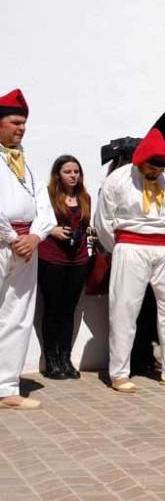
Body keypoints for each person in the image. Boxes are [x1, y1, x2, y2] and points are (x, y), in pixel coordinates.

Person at [95, 128, 165, 392]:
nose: (155, 172)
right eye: (151, 167)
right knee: (125, 309)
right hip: (131, 245)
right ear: (139, 161)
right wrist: (119, 248)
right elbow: (103, 221)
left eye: (160, 167)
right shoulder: (118, 180)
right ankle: (119, 372)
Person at [0, 89, 55, 409]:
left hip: (26, 247)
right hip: (5, 241)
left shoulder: (26, 164)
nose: (21, 128)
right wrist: (10, 237)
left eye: (24, 123)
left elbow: (44, 206)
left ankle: (7, 386)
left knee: (18, 316)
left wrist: (35, 237)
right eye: (15, 122)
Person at [37, 155, 92, 379]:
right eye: (68, 172)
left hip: (77, 259)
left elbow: (85, 223)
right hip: (52, 257)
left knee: (70, 309)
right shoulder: (48, 196)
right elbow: (37, 219)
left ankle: (65, 358)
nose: (73, 176)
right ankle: (51, 360)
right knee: (53, 309)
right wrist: (52, 230)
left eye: (76, 171)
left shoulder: (84, 197)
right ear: (58, 174)